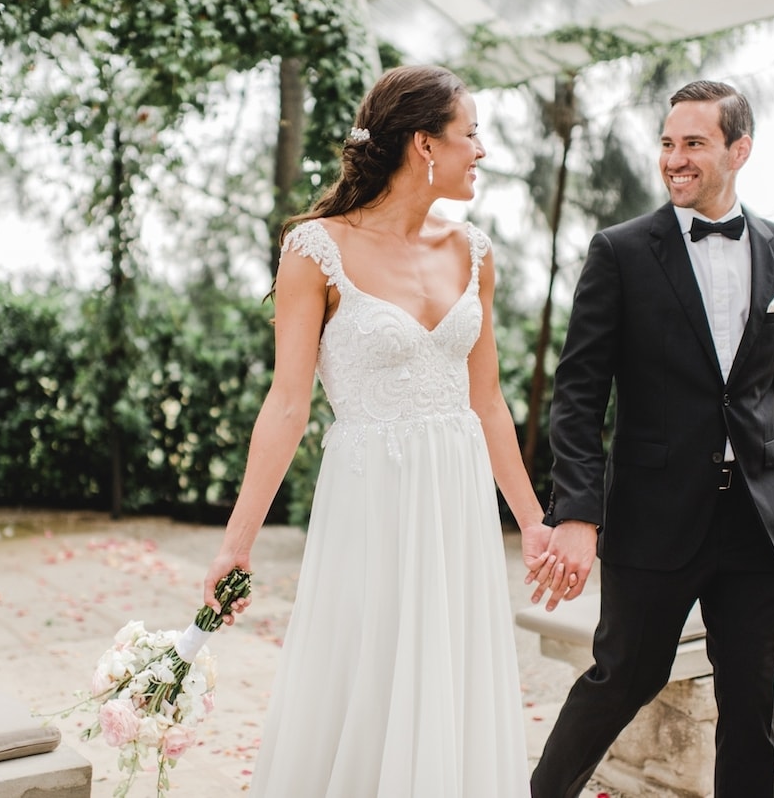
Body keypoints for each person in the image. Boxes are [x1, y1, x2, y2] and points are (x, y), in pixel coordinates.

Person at [202, 64, 556, 797]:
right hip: (371, 500)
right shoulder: (315, 250)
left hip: (456, 501)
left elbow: (487, 402)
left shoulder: (474, 251)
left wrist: (533, 522)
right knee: (366, 674)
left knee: (448, 677)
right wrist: (234, 548)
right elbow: (288, 405)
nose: (482, 151)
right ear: (425, 145)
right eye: (471, 134)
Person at [530, 80, 774, 798]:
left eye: (694, 143)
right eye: (667, 143)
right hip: (654, 513)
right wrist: (576, 511)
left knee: (751, 697)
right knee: (624, 675)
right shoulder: (621, 252)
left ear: (738, 149)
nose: (675, 159)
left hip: (759, 521)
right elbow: (578, 396)